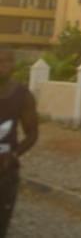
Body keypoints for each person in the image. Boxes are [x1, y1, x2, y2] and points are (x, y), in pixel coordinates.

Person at [0, 47, 37, 236]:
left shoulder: (23, 96)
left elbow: (32, 134)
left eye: (7, 61)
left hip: (5, 173)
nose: (2, 66)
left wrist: (13, 155)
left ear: (13, 64)